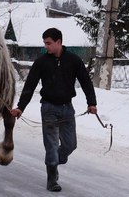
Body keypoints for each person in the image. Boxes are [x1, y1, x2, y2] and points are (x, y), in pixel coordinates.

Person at [10, 28, 97, 192]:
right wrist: (20, 107)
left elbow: (86, 82)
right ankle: (51, 179)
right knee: (51, 145)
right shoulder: (41, 62)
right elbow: (30, 86)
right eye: (44, 43)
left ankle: (55, 160)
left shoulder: (74, 60)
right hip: (49, 108)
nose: (46, 47)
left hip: (67, 108)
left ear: (59, 42)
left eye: (49, 43)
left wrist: (91, 103)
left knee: (70, 145)